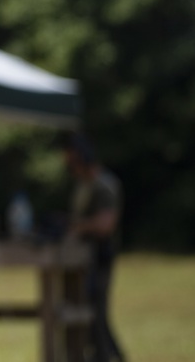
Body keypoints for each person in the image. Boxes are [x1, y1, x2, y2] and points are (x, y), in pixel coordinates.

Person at [63, 132, 127, 362]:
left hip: (100, 257)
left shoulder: (105, 185)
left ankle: (108, 355)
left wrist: (80, 227)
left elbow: (106, 224)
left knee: (96, 314)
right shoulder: (83, 185)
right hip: (80, 259)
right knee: (86, 312)